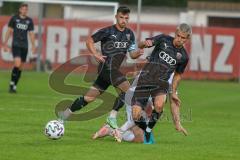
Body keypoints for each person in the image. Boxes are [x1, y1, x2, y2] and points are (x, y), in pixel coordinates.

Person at [58, 6, 143, 126]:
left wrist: (138, 53)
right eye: (121, 17)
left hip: (110, 72)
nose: (124, 20)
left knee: (88, 98)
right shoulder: (107, 31)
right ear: (116, 17)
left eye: (126, 18)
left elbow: (132, 54)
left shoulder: (130, 34)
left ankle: (65, 114)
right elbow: (89, 41)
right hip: (106, 67)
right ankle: (112, 117)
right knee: (128, 91)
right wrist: (96, 54)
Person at [131, 23, 192, 144]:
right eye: (178, 36)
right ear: (175, 33)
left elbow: (178, 75)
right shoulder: (163, 39)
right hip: (145, 78)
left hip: (161, 83)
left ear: (187, 39)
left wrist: (173, 92)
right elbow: (141, 44)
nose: (179, 39)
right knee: (136, 115)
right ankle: (146, 129)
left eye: (183, 38)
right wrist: (144, 43)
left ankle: (148, 130)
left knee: (159, 106)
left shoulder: (184, 57)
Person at [3, 3, 36, 93]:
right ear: (20, 9)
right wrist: (5, 44)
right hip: (16, 45)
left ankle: (14, 86)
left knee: (20, 68)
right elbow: (9, 31)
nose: (25, 11)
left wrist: (33, 46)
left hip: (24, 46)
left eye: (26, 9)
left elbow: (31, 34)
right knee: (17, 64)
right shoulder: (14, 18)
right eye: (23, 9)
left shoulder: (29, 21)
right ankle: (11, 84)